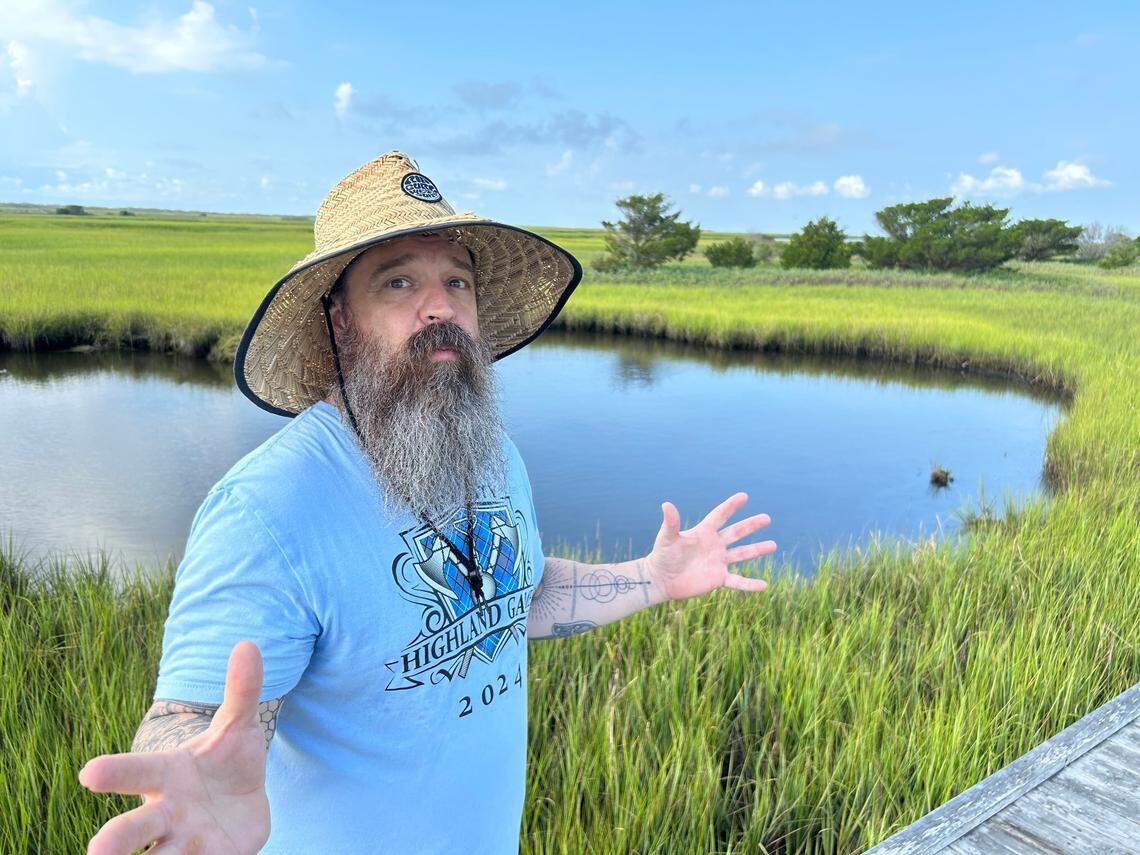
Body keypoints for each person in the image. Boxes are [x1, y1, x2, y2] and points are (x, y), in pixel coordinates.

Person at [77, 150, 777, 854]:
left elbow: (512, 596)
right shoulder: (269, 509)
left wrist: (651, 578)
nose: (440, 304)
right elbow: (196, 713)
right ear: (339, 321)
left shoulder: (489, 448)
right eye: (399, 281)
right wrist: (193, 765)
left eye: (457, 281)